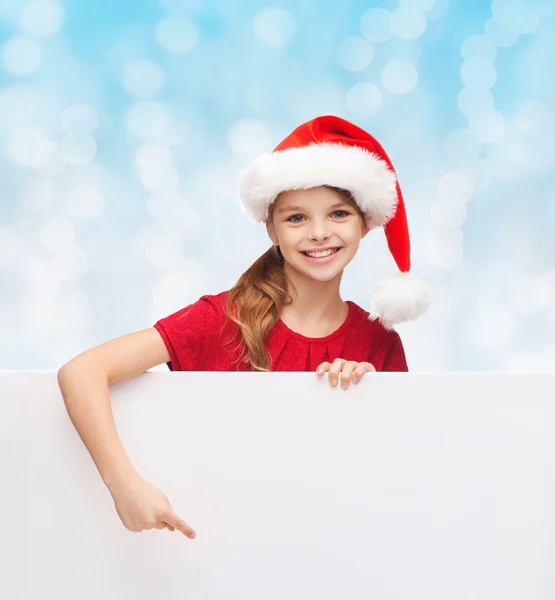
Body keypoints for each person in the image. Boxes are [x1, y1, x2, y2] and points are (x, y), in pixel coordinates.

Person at [57, 115, 430, 541]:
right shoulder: (221, 319)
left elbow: (394, 472)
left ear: (364, 223)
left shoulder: (379, 342)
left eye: (338, 213)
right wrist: (124, 486)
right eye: (296, 219)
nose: (320, 233)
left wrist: (363, 398)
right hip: (223, 549)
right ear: (270, 228)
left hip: (329, 552)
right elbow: (82, 372)